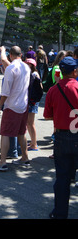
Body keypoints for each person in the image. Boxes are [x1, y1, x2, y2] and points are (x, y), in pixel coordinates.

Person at [44, 56, 78, 219]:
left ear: (61, 72)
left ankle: (59, 213)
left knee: (62, 177)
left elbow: (48, 115)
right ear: (75, 71)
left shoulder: (53, 90)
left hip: (62, 137)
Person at [0, 46, 31, 172]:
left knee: (5, 133)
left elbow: (6, 91)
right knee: (21, 132)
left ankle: (2, 162)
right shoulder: (26, 67)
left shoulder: (11, 69)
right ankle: (24, 157)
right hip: (24, 105)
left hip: (12, 106)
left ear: (10, 55)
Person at [25, 58, 42, 151]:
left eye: (27, 64)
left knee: (30, 123)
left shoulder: (34, 75)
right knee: (29, 123)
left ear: (31, 65)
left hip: (32, 101)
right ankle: (32, 142)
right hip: (33, 101)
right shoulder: (34, 74)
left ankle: (34, 144)